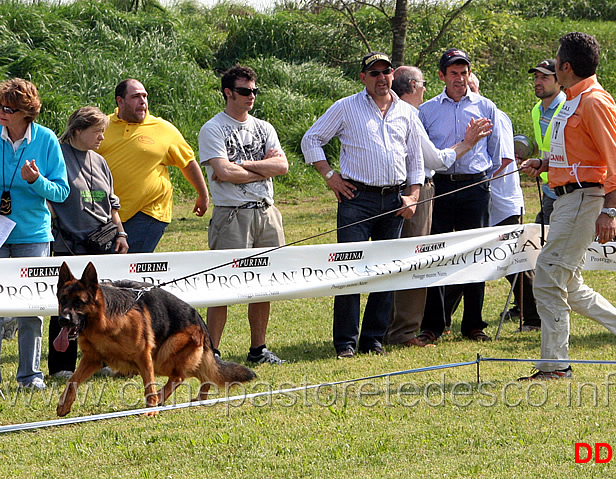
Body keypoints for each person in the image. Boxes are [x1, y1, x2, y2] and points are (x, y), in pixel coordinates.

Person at [519, 32, 616, 380]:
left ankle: (555, 367)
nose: (553, 64)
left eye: (556, 60)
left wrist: (610, 211)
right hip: (566, 199)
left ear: (566, 66)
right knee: (567, 285)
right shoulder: (572, 100)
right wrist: (545, 165)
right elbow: (578, 155)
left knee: (546, 277)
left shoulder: (595, 101)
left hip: (584, 199)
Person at [302, 52, 424, 359]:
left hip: (394, 199)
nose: (381, 78)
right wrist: (330, 176)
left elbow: (415, 158)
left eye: (386, 72)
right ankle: (345, 342)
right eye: (374, 73)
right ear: (363, 78)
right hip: (356, 199)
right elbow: (311, 139)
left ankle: (373, 339)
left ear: (393, 74)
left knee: (386, 271)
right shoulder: (346, 107)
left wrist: (414, 196)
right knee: (350, 270)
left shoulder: (407, 112)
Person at [383, 66, 491, 348]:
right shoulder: (413, 114)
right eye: (423, 83)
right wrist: (466, 144)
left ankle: (397, 328)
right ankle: (407, 329)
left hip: (461, 189)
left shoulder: (394, 112)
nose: (425, 88)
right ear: (412, 87)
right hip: (423, 191)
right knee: (420, 258)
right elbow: (435, 160)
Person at [199, 65, 288, 365]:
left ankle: (258, 349)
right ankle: (211, 351)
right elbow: (223, 171)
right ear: (228, 92)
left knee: (265, 283)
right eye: (244, 91)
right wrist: (260, 166)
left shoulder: (265, 128)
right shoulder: (213, 128)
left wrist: (243, 167)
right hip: (231, 216)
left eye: (254, 91)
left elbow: (282, 167)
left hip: (266, 212)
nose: (251, 96)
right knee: (222, 284)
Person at [417, 48, 504, 344]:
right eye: (453, 72)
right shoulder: (426, 111)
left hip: (474, 188)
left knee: (475, 254)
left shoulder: (486, 107)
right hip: (439, 187)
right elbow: (423, 155)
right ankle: (433, 325)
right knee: (436, 254)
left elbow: (496, 156)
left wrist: (480, 180)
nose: (459, 78)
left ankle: (473, 324)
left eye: (464, 72)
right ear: (441, 76)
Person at [48, 106, 129, 379]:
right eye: (97, 132)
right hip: (69, 245)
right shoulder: (57, 154)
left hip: (102, 244)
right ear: (78, 130)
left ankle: (101, 359)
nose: (102, 138)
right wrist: (60, 225)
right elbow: (48, 194)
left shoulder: (99, 160)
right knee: (67, 306)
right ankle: (61, 365)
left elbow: (111, 203)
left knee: (98, 307)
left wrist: (121, 234)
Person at [0, 78, 70, 389]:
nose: (2, 113)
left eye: (8, 108)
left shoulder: (46, 140)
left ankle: (29, 376)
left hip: (33, 235)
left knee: (31, 310)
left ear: (26, 113)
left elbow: (62, 191)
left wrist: (36, 181)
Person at [97, 79, 209, 253]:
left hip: (149, 211)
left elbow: (187, 162)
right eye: (135, 97)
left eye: (144, 96)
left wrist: (203, 194)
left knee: (126, 263)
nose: (142, 101)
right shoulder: (102, 125)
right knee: (108, 265)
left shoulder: (163, 129)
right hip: (108, 211)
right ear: (120, 101)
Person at [468, 73, 541, 333]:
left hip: (501, 202)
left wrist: (474, 183)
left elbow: (505, 161)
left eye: (471, 86)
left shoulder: (494, 115)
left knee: (513, 261)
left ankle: (533, 317)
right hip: (485, 201)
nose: (467, 91)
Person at [527, 59, 566, 226]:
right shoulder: (537, 110)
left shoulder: (568, 108)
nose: (537, 82)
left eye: (545, 77)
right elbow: (542, 144)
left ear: (559, 81)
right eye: (536, 77)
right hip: (549, 187)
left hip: (568, 190)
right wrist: (525, 152)